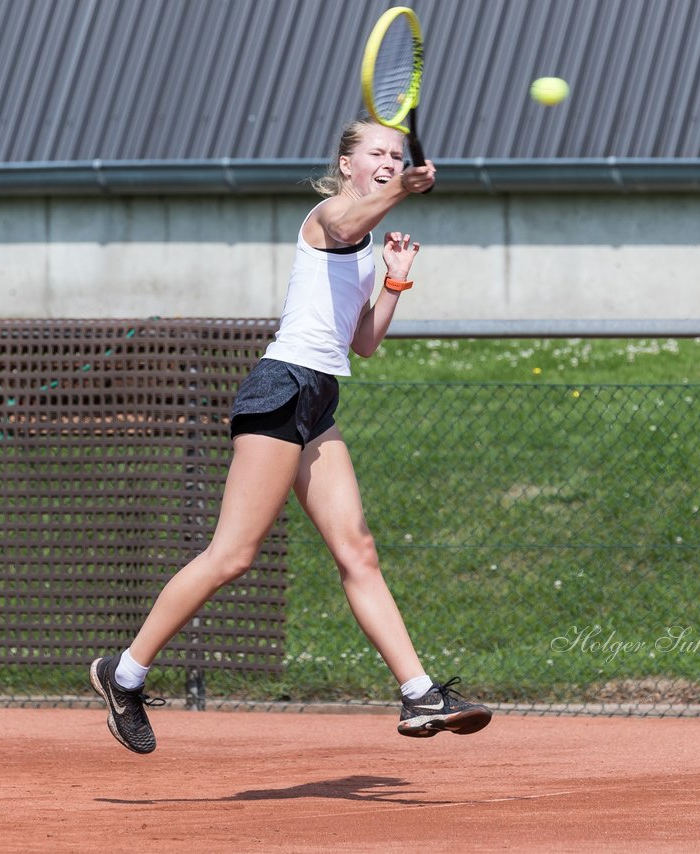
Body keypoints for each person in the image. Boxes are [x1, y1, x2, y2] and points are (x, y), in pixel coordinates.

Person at [89, 118, 492, 754]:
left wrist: (394, 278)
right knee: (233, 556)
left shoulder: (366, 242)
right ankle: (125, 673)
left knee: (358, 551)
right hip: (280, 389)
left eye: (397, 154)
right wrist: (405, 189)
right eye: (377, 155)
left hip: (319, 397)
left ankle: (419, 693)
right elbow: (344, 224)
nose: (389, 161)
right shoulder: (330, 215)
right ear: (348, 166)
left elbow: (363, 342)